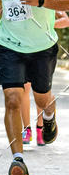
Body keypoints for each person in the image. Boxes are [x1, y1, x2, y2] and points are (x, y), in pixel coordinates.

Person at [0, 0, 69, 175]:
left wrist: (41, 1)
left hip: (42, 45)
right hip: (8, 43)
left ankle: (48, 117)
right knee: (13, 98)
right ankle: (17, 159)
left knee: (41, 97)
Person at [21, 11, 69, 145]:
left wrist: (47, 25)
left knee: (41, 91)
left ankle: (41, 127)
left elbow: (66, 20)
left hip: (44, 49)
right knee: (23, 89)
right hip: (22, 46)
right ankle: (26, 130)